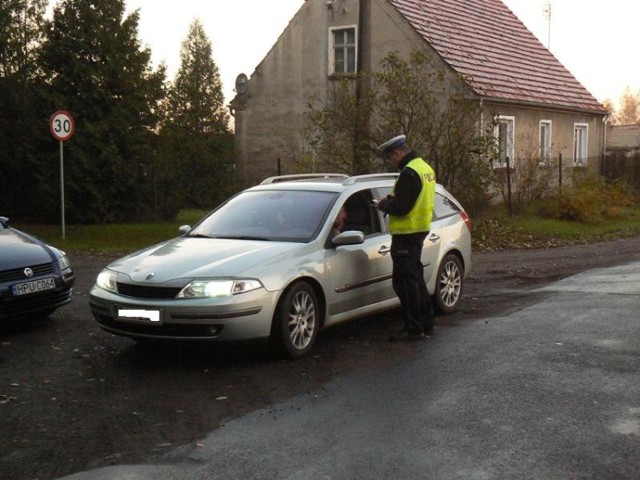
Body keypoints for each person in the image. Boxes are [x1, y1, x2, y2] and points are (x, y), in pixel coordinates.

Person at [375, 135, 436, 341]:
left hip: (406, 234)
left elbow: (402, 207)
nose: (392, 162)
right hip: (419, 230)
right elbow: (411, 198)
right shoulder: (424, 168)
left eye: (391, 158)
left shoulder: (410, 173)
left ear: (397, 153)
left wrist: (384, 205)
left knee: (405, 283)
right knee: (416, 279)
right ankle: (426, 323)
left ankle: (414, 328)